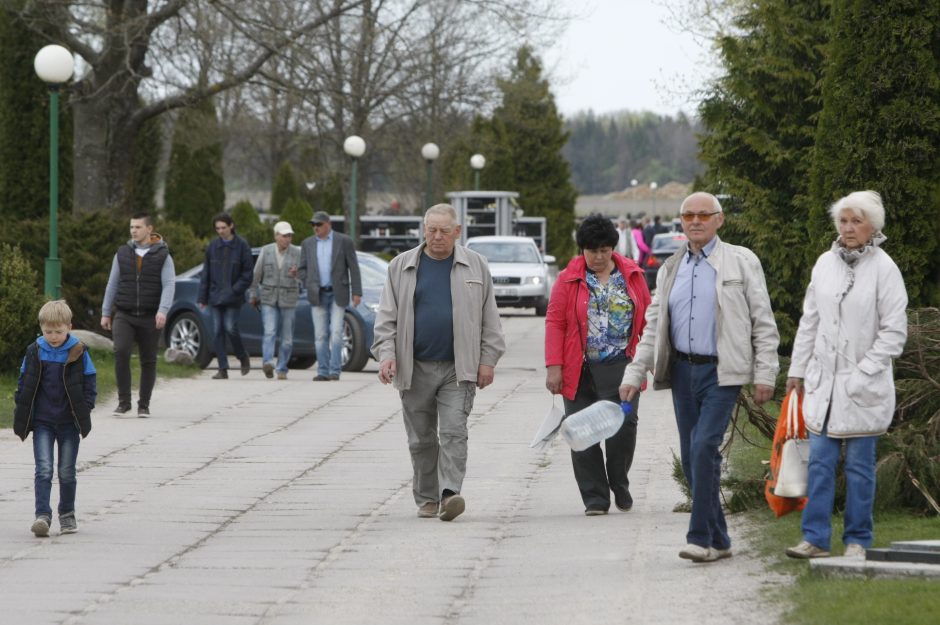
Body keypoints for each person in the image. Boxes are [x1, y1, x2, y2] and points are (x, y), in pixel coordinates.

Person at [619, 191, 779, 563]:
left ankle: (700, 538)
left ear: (719, 220)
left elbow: (763, 321)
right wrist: (635, 371)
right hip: (683, 371)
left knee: (704, 446)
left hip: (723, 371)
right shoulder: (673, 266)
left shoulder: (740, 262)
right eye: (688, 215)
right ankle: (721, 539)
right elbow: (654, 324)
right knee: (693, 460)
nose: (695, 221)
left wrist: (765, 373)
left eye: (703, 215)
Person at [784, 191, 907, 560]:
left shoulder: (885, 268)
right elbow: (811, 320)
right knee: (819, 464)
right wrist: (797, 369)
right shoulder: (824, 263)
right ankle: (815, 539)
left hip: (863, 386)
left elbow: (894, 331)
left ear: (873, 226)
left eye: (857, 221)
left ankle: (857, 540)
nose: (849, 228)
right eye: (843, 221)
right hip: (824, 386)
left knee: (859, 468)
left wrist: (863, 372)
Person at [372, 204, 505, 521]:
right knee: (421, 439)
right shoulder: (401, 267)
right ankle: (427, 498)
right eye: (431, 229)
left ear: (457, 232)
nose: (437, 236)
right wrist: (387, 355)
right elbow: (386, 319)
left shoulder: (476, 266)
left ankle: (450, 494)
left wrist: (487, 361)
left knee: (454, 433)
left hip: (458, 369)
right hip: (414, 367)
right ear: (423, 229)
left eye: (444, 231)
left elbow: (491, 320)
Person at [545, 214, 651, 515]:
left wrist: (651, 358)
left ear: (613, 248)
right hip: (578, 370)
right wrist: (554, 365)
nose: (599, 256)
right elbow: (554, 321)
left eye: (605, 250)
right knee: (581, 432)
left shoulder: (632, 275)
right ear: (583, 250)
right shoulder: (568, 279)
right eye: (592, 251)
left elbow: (648, 318)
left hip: (623, 369)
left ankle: (619, 481)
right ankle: (595, 498)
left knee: (624, 427)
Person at [14, 300, 96, 537]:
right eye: (48, 331)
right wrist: (21, 405)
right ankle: (42, 516)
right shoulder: (35, 351)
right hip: (43, 422)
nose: (53, 336)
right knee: (44, 469)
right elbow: (24, 381)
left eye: (58, 331)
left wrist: (86, 405)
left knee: (67, 471)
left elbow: (90, 380)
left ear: (69, 327)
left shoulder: (78, 351)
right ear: (41, 328)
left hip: (69, 422)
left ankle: (67, 514)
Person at [100, 212, 176, 416]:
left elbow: (169, 284)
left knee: (148, 359)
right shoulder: (122, 253)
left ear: (149, 229)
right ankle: (124, 402)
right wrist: (106, 312)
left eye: (138, 227)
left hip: (150, 315)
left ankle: (144, 404)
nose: (134, 230)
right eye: (132, 227)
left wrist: (163, 311)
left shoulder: (163, 255)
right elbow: (112, 283)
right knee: (121, 351)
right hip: (124, 313)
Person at [298, 211, 362, 381]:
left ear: (328, 224)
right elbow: (302, 268)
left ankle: (335, 370)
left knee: (336, 331)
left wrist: (357, 292)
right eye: (313, 225)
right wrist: (307, 281)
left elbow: (354, 267)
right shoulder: (307, 244)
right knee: (320, 335)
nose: (315, 228)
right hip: (317, 294)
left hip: (337, 293)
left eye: (318, 225)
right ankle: (322, 371)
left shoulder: (344, 241)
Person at [199, 212, 254, 379]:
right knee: (217, 331)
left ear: (231, 226)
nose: (221, 231)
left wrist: (235, 290)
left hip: (233, 296)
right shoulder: (212, 247)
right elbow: (206, 273)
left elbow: (247, 273)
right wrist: (203, 297)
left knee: (230, 327)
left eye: (223, 227)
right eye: (217, 228)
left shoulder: (242, 246)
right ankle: (222, 368)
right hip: (215, 296)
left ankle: (242, 356)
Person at [249, 221, 302, 380]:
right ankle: (267, 362)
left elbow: (304, 278)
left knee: (287, 338)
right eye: (284, 235)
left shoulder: (297, 253)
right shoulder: (266, 251)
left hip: (289, 298)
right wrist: (252, 294)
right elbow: (256, 274)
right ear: (276, 236)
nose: (288, 239)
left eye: (290, 236)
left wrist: (297, 274)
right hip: (268, 297)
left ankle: (282, 368)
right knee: (269, 332)